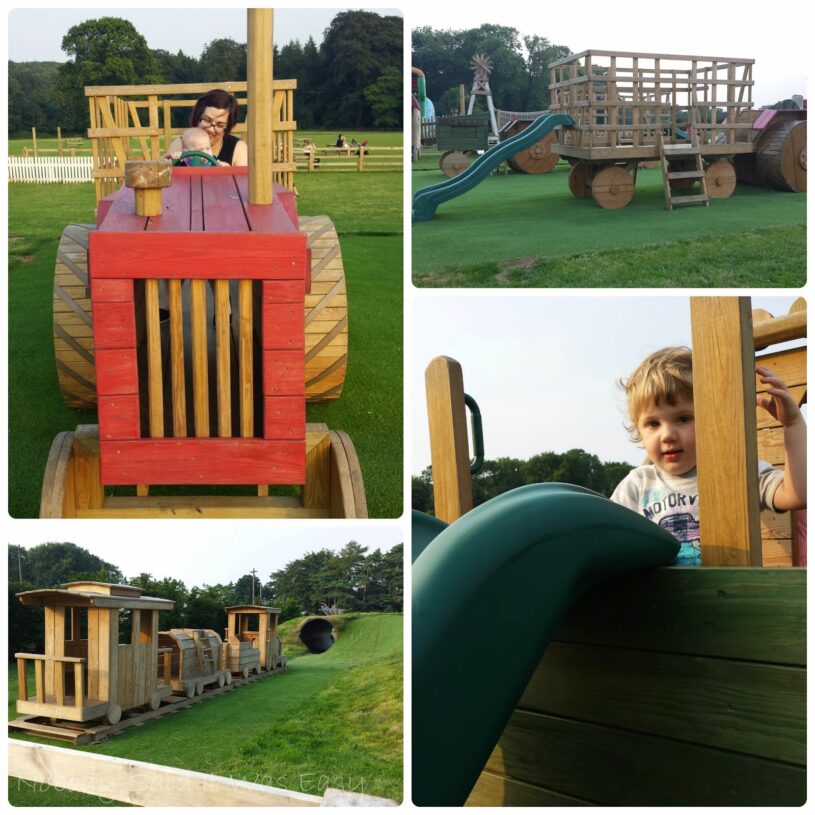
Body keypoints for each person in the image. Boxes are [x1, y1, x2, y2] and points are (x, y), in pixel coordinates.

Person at [610, 346, 806, 566]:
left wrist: (793, 425)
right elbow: (608, 541)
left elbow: (797, 495)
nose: (667, 435)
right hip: (662, 598)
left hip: (727, 595)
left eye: (683, 418)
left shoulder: (736, 471)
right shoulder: (636, 486)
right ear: (639, 431)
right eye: (653, 423)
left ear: (712, 418)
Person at [164, 89, 248, 167]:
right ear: (197, 117)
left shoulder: (237, 147)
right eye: (207, 120)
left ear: (228, 126)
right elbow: (162, 172)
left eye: (220, 125)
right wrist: (168, 160)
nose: (211, 129)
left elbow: (243, 180)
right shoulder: (181, 143)